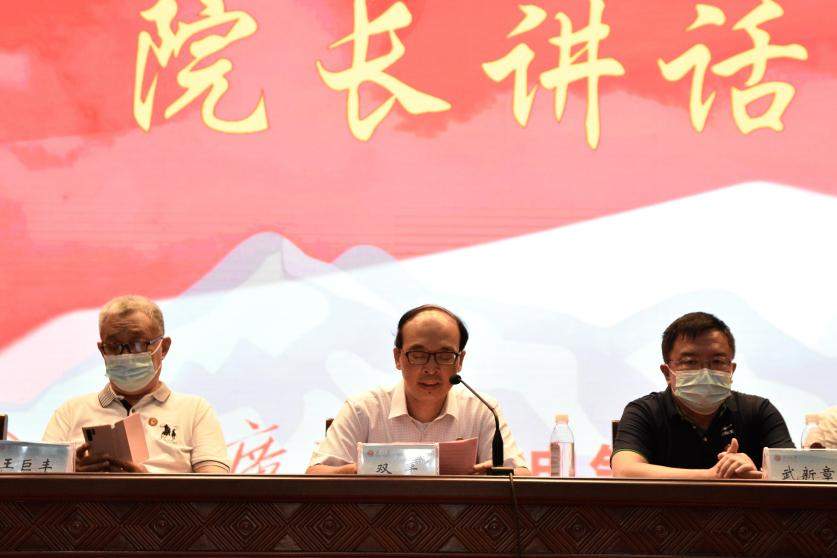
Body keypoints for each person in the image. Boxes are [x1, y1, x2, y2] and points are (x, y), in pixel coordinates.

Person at [307, 304, 530, 475]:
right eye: (418, 355)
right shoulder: (363, 409)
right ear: (398, 357)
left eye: (444, 355)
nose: (431, 369)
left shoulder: (482, 409)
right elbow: (315, 475)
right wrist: (360, 470)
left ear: (460, 360)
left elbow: (521, 475)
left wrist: (493, 476)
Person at [43, 295, 230, 473]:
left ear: (163, 348)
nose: (126, 354)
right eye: (114, 346)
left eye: (138, 343)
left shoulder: (195, 411)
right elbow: (38, 480)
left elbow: (216, 486)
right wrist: (70, 471)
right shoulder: (70, 412)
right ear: (102, 350)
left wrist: (147, 483)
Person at [611, 311, 793, 479]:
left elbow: (794, 472)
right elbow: (624, 471)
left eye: (717, 361)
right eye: (690, 361)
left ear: (731, 369)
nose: (705, 372)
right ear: (667, 373)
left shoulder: (758, 411)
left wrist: (757, 475)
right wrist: (714, 476)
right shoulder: (644, 412)